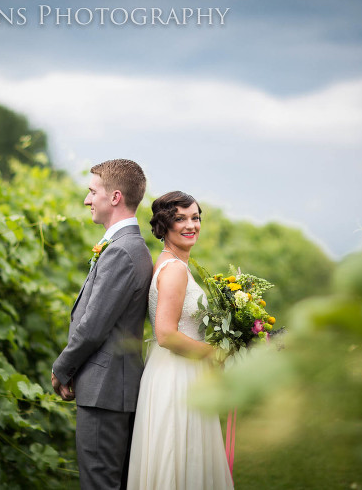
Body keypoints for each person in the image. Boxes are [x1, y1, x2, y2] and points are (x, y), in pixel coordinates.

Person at [52, 159, 154, 490]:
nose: (86, 200)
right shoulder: (126, 247)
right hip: (110, 388)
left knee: (100, 483)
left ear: (115, 197)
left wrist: (62, 367)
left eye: (92, 191)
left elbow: (94, 326)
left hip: (106, 390)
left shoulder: (122, 252)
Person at [127, 191, 234, 489]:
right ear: (165, 226)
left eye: (195, 218)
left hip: (177, 371)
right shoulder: (174, 270)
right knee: (179, 457)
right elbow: (166, 334)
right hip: (176, 375)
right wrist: (214, 354)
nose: (191, 225)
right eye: (180, 219)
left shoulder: (171, 263)